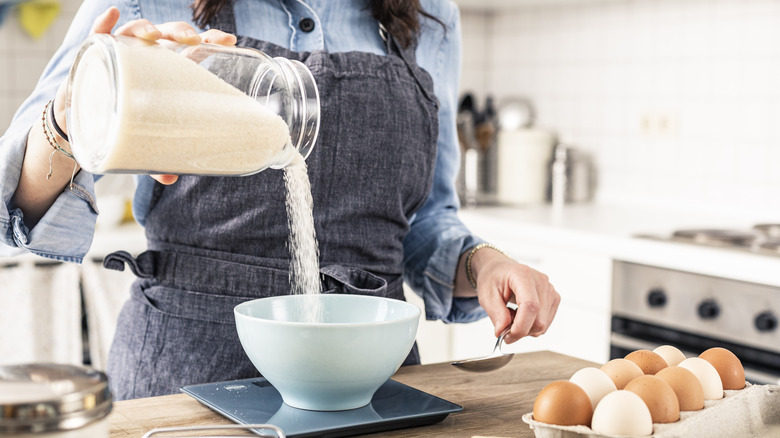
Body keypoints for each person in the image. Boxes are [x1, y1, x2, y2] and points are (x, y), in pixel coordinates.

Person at [0, 0, 560, 400]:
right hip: (185, 378)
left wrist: (483, 263)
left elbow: (425, 223)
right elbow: (15, 203)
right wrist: (66, 126)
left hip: (369, 386)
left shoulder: (432, 15)